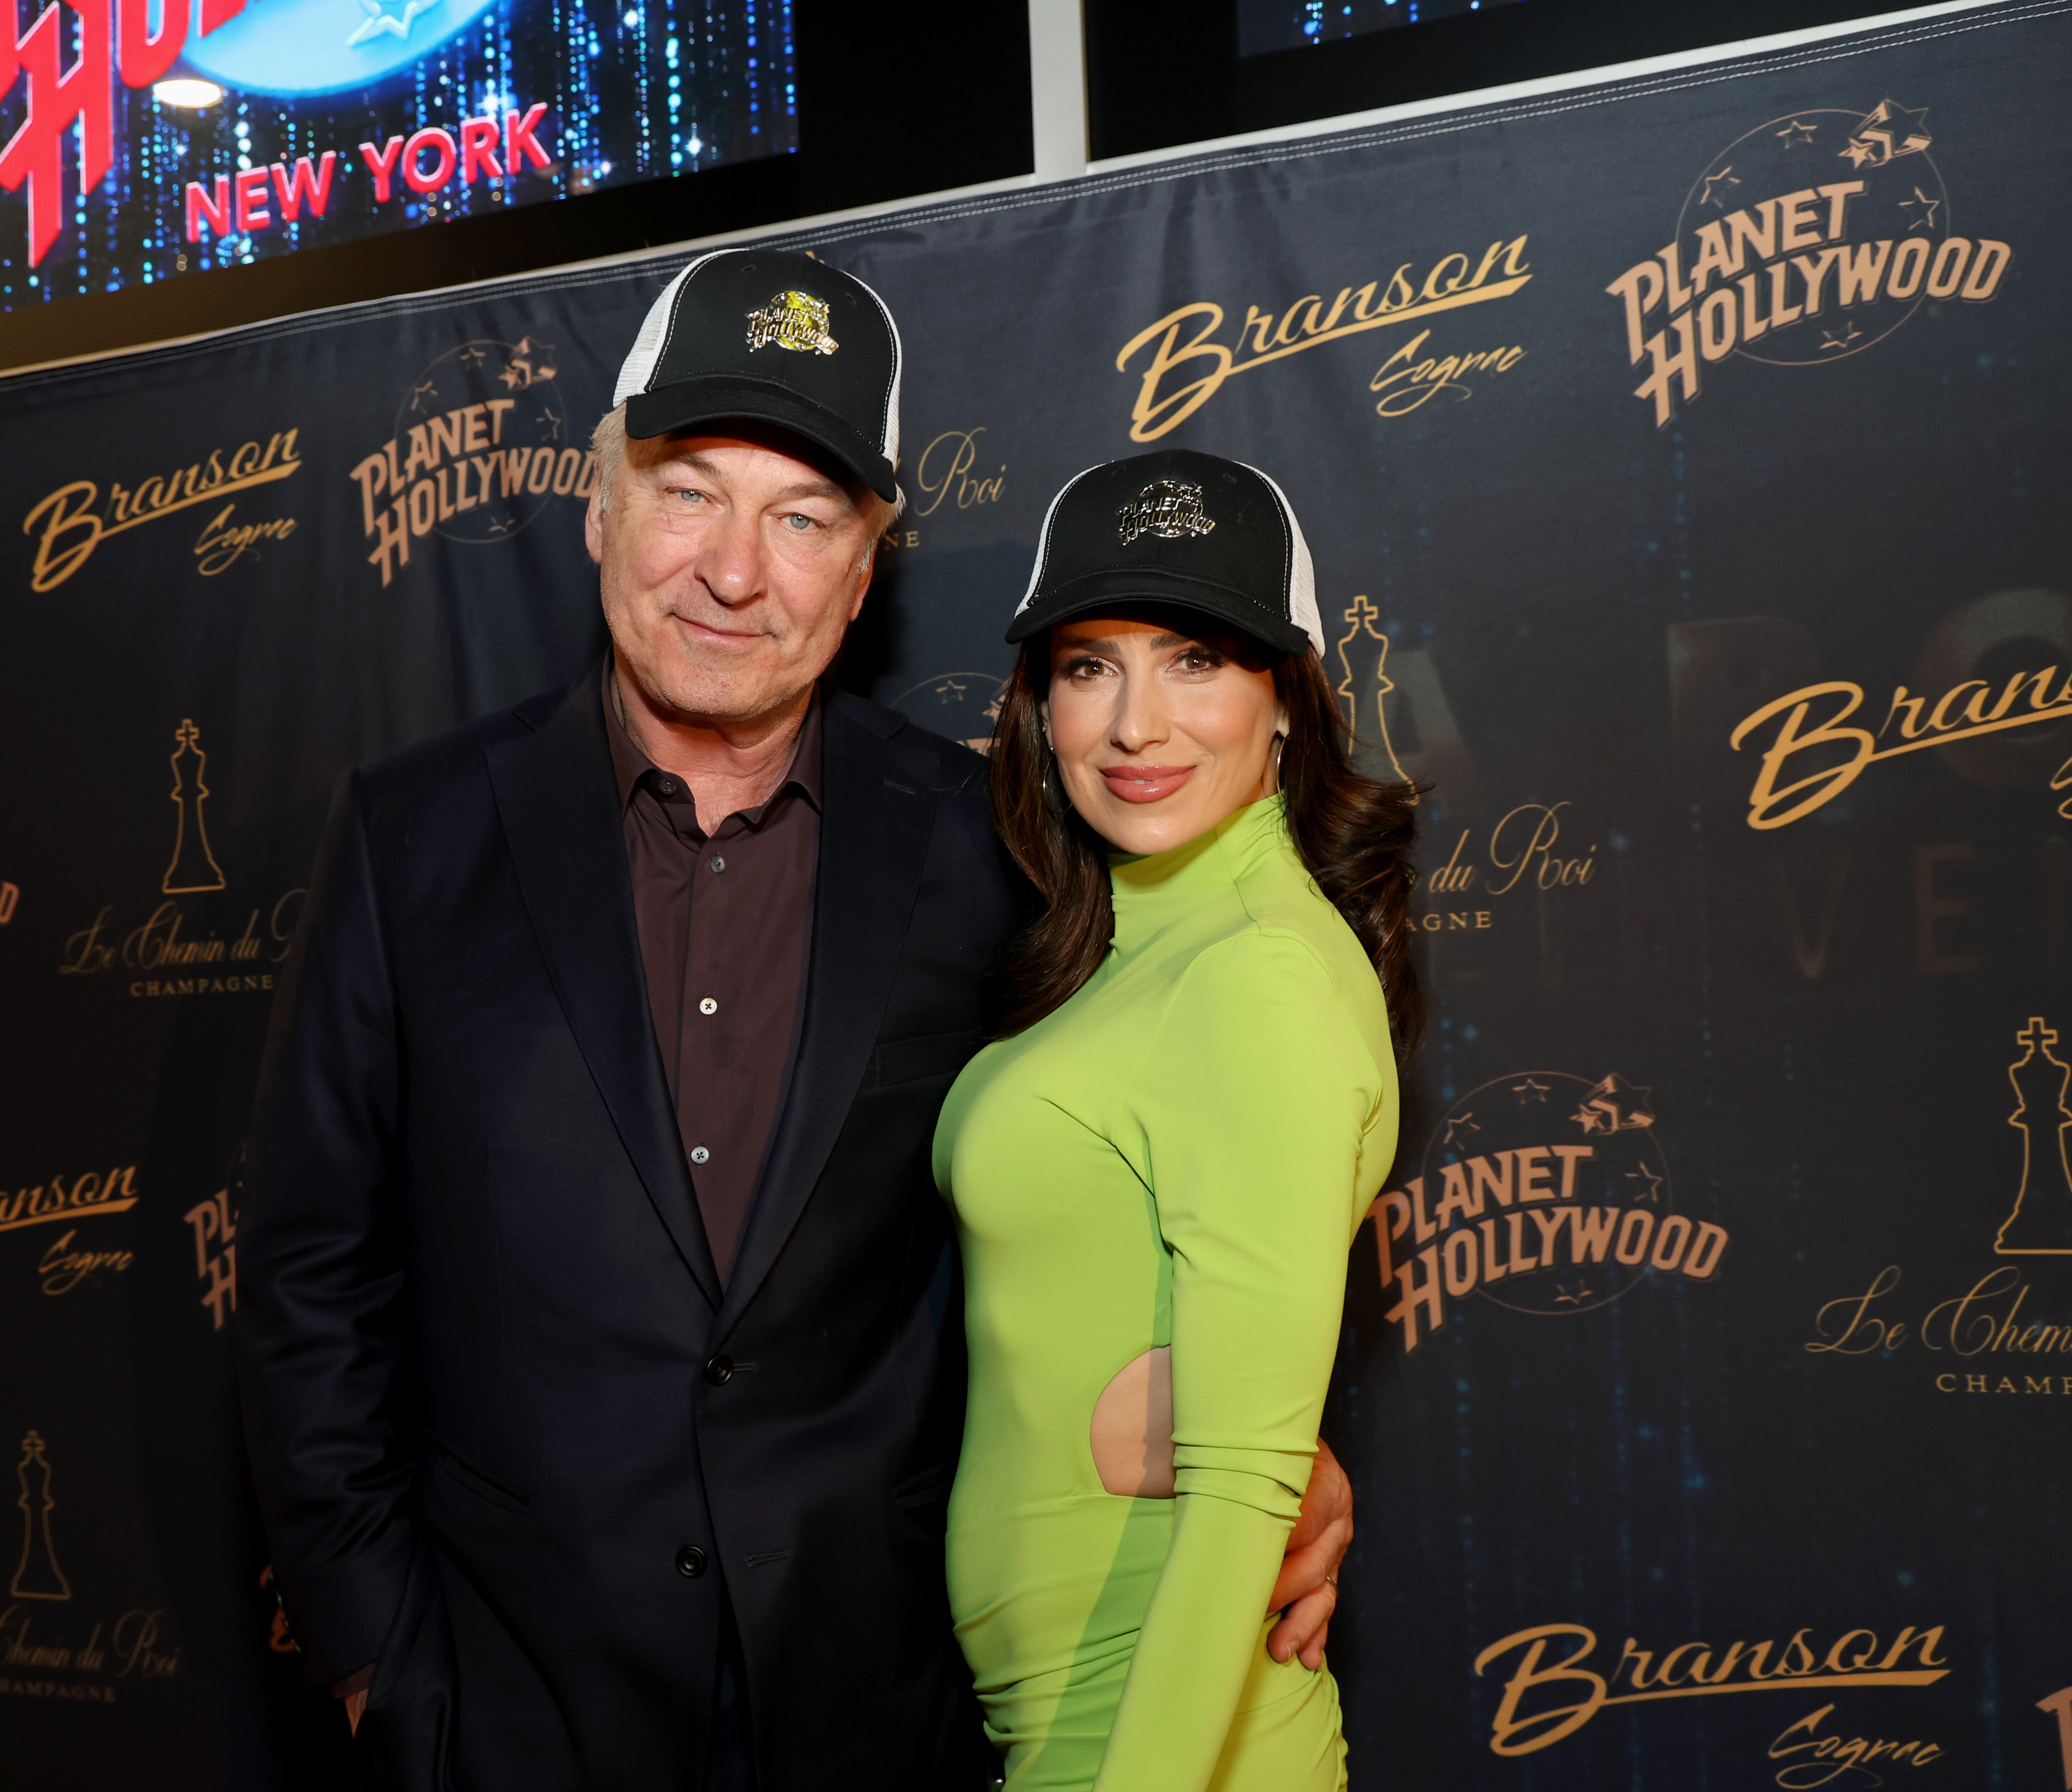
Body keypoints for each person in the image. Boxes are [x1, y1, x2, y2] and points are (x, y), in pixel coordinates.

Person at [234, 253, 1355, 1792]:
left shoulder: (998, 846)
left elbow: (1156, 1187)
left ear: (870, 563)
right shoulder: (408, 837)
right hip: (505, 1715)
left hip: (881, 1713)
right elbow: (308, 1276)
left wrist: (1275, 1448)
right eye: (689, 490)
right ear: (599, 506)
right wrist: (382, 1667)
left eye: (805, 516)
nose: (735, 571)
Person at [935, 450, 1420, 1790]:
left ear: (1287, 702)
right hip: (1068, 1717)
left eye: (1195, 659)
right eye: (1089, 665)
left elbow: (1239, 1502)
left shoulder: (1257, 970)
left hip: (1164, 1737)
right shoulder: (1138, 941)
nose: (1134, 723)